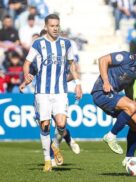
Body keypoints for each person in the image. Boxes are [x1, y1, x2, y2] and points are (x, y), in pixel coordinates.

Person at [21, 14, 82, 172]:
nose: (55, 28)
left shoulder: (66, 43)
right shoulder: (38, 44)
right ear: (46, 27)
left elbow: (72, 66)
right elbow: (27, 63)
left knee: (61, 124)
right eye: (52, 26)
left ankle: (55, 145)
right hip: (42, 92)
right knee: (45, 125)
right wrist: (26, 75)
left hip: (61, 91)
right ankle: (47, 160)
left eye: (57, 25)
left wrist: (78, 84)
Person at [91, 42, 136, 165]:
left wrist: (131, 103)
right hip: (101, 91)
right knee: (133, 106)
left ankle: (129, 158)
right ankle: (111, 136)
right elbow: (102, 60)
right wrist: (106, 82)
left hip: (113, 96)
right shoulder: (126, 57)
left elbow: (128, 88)